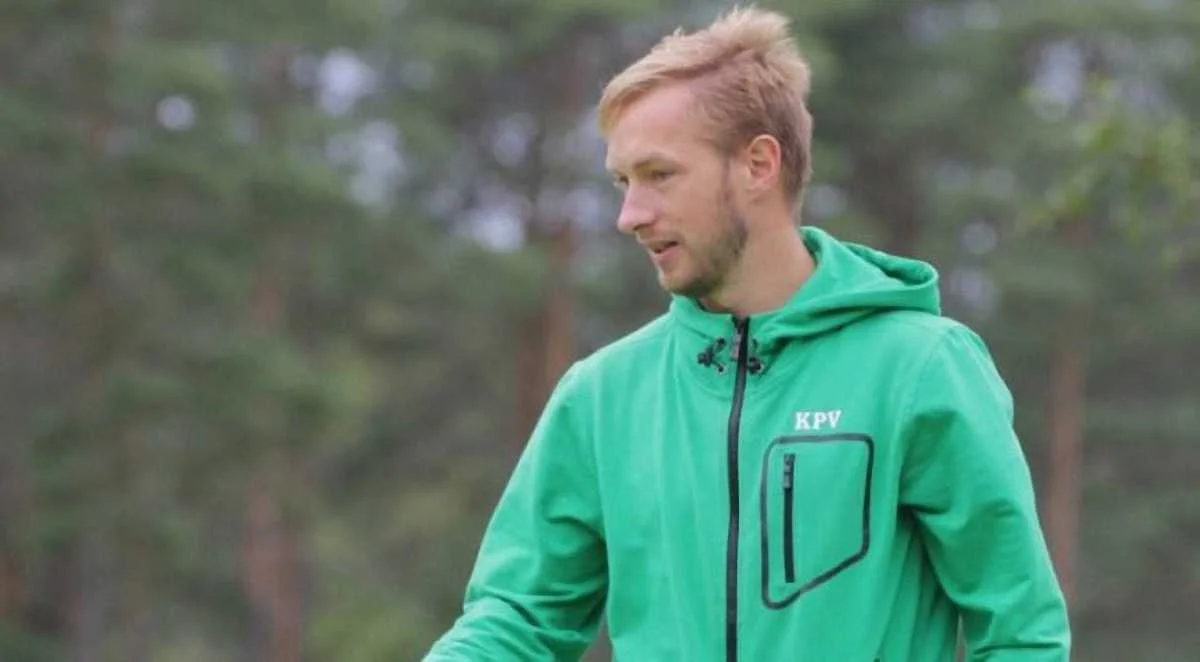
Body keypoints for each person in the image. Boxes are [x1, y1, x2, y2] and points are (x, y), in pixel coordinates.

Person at [424, 6, 1071, 661]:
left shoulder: (920, 368)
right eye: (622, 182)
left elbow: (1021, 634)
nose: (630, 215)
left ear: (759, 165)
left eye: (659, 175)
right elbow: (516, 620)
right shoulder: (600, 396)